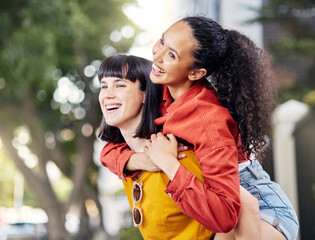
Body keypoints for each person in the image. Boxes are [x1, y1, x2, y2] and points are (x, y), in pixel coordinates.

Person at [100, 16, 299, 240]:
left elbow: (228, 214)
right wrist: (140, 160)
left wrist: (168, 162)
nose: (157, 55)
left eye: (171, 54)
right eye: (162, 41)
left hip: (262, 210)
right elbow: (109, 150)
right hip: (224, 203)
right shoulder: (163, 90)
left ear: (195, 73)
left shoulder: (207, 120)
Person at [98, 54, 214, 239]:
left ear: (146, 94)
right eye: (103, 86)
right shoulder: (127, 156)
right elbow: (107, 154)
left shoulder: (177, 152)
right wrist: (138, 160)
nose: (107, 94)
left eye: (120, 85)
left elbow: (228, 216)